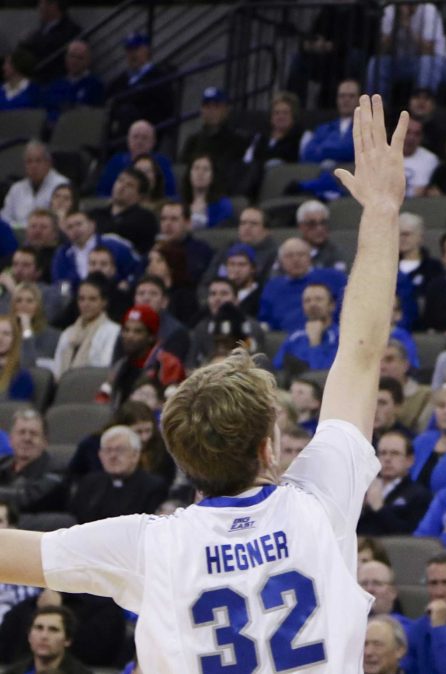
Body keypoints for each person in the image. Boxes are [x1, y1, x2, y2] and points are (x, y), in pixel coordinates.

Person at [0, 94, 409, 672]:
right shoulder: (319, 504)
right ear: (269, 447)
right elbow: (362, 354)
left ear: (178, 456)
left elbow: (14, 554)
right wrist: (383, 210)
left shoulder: (151, 546)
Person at [366, 2, 446, 101]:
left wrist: (407, 26)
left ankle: (421, 108)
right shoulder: (390, 11)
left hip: (441, 61)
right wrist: (394, 28)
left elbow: (427, 50)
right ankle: (377, 107)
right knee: (376, 63)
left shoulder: (429, 10)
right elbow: (382, 50)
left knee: (426, 62)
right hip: (408, 62)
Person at [68, 425, 167, 524]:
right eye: (108, 450)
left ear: (135, 455)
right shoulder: (89, 483)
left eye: (120, 450)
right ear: (100, 456)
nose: (113, 456)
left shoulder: (153, 486)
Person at [96, 304, 185, 407]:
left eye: (137, 331)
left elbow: (175, 407)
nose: (129, 336)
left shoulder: (168, 364)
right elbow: (103, 401)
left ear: (151, 337)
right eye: (126, 330)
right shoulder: (120, 366)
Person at [258, 237, 347, 333]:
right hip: (286, 340)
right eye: (289, 256)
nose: (296, 260)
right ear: (281, 261)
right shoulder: (272, 286)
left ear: (310, 257)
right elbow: (265, 322)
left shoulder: (334, 277)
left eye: (301, 254)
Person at [359, 429, 432, 536]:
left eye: (395, 453)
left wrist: (380, 509)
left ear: (409, 460)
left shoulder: (419, 495)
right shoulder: (364, 487)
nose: (387, 459)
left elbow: (409, 536)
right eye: (383, 453)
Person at [106, 32, 175, 137]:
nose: (132, 54)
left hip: (145, 135)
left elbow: (164, 110)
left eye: (136, 49)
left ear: (146, 50)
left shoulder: (159, 77)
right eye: (129, 50)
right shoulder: (119, 81)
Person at [51, 274, 120, 379]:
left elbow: (105, 367)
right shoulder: (68, 333)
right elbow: (56, 369)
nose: (85, 304)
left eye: (92, 299)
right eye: (81, 299)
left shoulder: (113, 331)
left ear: (104, 302)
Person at [178, 87, 246, 191]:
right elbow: (183, 167)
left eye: (216, 106)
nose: (211, 111)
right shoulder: (193, 140)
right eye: (207, 107)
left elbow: (230, 172)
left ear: (226, 110)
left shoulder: (237, 141)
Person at [0, 408, 67, 513]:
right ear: (10, 439)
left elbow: (28, 499)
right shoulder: (3, 463)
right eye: (21, 432)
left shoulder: (57, 468)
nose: (27, 438)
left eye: (34, 434)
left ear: (45, 442)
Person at [240, 91, 303, 197]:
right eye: (276, 113)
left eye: (285, 113)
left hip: (284, 185)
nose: (280, 116)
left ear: (293, 115)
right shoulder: (259, 138)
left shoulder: (301, 137)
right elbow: (247, 162)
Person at [95, 119, 177, 198]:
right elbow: (102, 192)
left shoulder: (162, 162)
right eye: (135, 137)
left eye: (144, 138)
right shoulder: (116, 161)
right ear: (128, 140)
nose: (139, 142)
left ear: (153, 142)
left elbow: (170, 194)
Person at [89, 167, 160, 256]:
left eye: (129, 185)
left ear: (140, 196)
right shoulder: (95, 214)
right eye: (120, 180)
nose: (121, 187)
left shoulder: (145, 218)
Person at [202, 207, 280, 286]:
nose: (247, 227)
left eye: (254, 224)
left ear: (266, 231)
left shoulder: (276, 253)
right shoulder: (228, 247)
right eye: (243, 223)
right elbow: (207, 281)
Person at [273, 283, 340, 373]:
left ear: (332, 305)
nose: (312, 304)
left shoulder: (340, 337)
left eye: (318, 299)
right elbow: (276, 369)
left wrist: (315, 343)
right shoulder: (294, 337)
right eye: (307, 301)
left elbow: (324, 374)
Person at [0, 142, 69, 229]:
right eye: (29, 162)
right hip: (18, 237)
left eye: (38, 161)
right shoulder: (16, 188)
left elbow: (62, 220)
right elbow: (4, 220)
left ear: (48, 163)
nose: (33, 166)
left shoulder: (63, 186)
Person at [5, 605, 91, 674]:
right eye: (39, 628)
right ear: (29, 636)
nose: (44, 636)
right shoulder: (14, 672)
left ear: (67, 640)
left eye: (53, 629)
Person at [16, 0, 81, 83]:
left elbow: (50, 50)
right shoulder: (40, 30)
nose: (39, 8)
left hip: (52, 80)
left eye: (42, 3)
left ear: (54, 6)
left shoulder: (71, 31)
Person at [42, 40, 105, 123]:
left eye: (80, 58)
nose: (74, 61)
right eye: (72, 56)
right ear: (66, 58)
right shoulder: (55, 85)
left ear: (88, 61)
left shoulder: (95, 85)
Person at [301, 79, 359, 164]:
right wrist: (338, 150)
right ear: (337, 99)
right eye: (342, 96)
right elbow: (307, 153)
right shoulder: (323, 128)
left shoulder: (366, 127)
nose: (346, 100)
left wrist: (324, 149)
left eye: (351, 96)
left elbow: (354, 152)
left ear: (359, 99)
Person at [156, 200, 214, 285]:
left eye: (174, 219)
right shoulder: (155, 250)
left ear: (188, 223)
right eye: (163, 219)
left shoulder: (201, 251)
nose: (167, 224)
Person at [11, 282, 61, 366]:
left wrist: (26, 330)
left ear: (38, 306)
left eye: (29, 301)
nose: (23, 305)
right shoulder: (5, 332)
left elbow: (31, 363)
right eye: (18, 300)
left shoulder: (53, 336)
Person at [398, 212, 443, 300]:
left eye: (406, 234)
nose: (401, 238)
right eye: (398, 234)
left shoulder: (434, 268)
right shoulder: (388, 267)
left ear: (420, 236)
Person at [181, 153, 233, 229]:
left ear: (212, 176)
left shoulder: (223, 205)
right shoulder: (178, 203)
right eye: (196, 168)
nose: (200, 173)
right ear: (189, 174)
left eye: (206, 169)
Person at [295, 200, 348, 272]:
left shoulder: (335, 253)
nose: (319, 228)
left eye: (323, 223)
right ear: (301, 227)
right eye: (312, 224)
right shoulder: (291, 252)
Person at [402, 116, 439, 198]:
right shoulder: (383, 155)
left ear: (422, 137)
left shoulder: (430, 159)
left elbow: (419, 192)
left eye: (417, 134)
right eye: (407, 132)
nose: (411, 138)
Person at [0, 315, 33, 402]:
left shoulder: (22, 376)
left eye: (6, 334)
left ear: (14, 339)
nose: (0, 338)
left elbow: (12, 409)